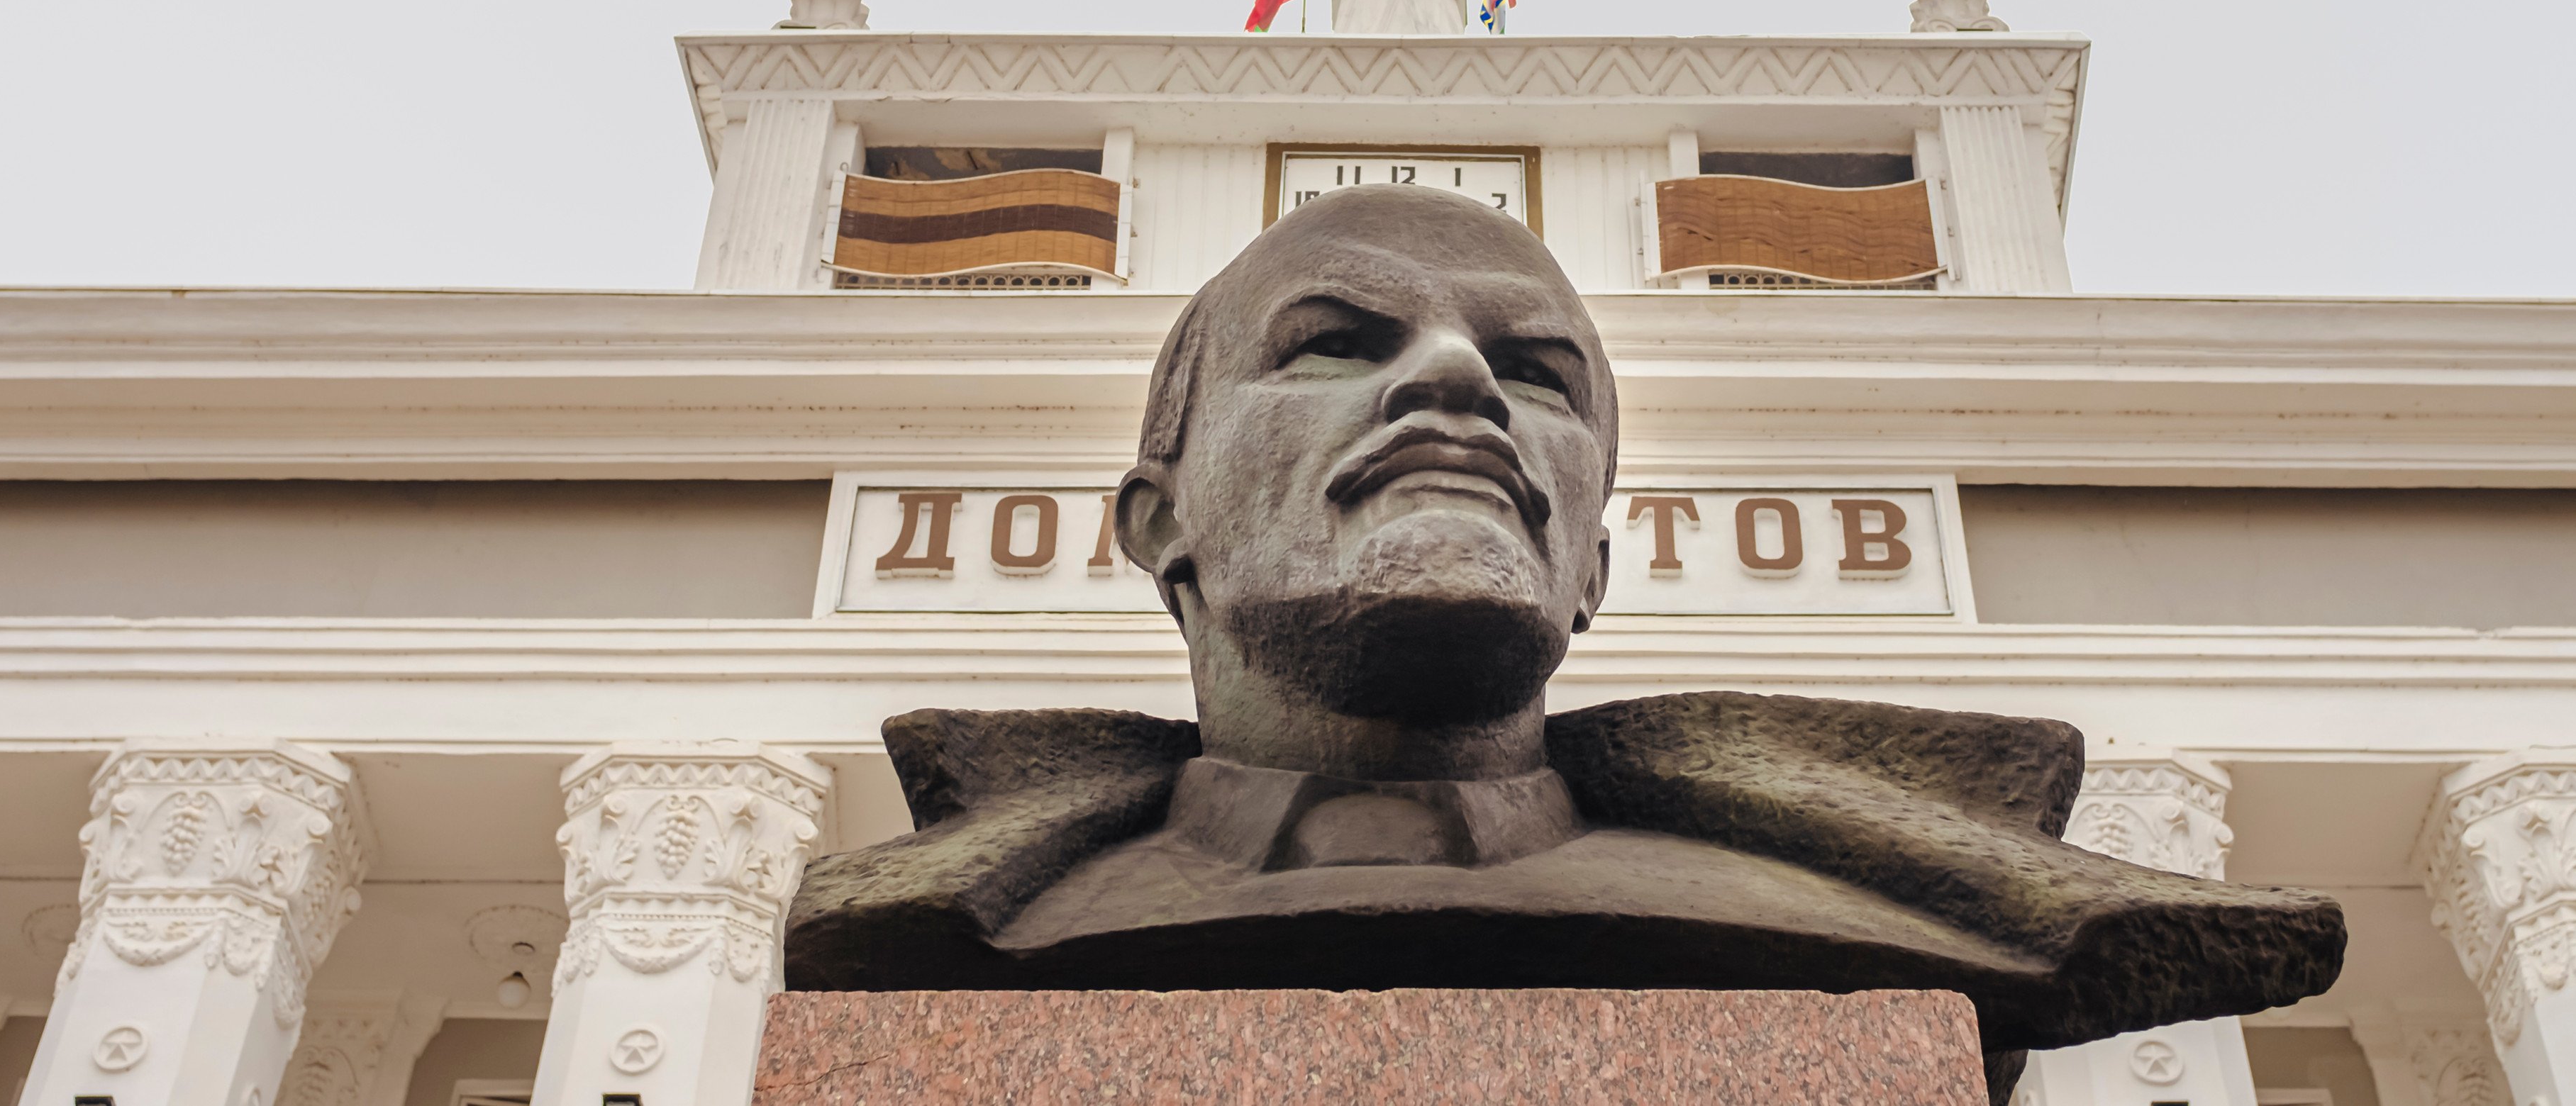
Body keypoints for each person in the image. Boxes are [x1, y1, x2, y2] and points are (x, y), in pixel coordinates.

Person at [789, 186, 2341, 1100]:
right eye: (1336, 342)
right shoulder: (987, 909)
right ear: (1156, 525)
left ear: (1589, 563)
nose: (1457, 381)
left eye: (1538, 371)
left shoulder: (1844, 905)